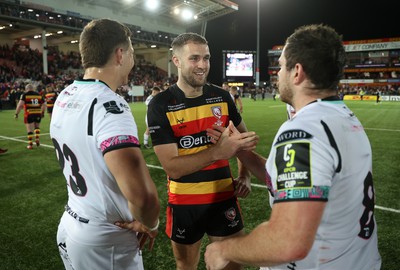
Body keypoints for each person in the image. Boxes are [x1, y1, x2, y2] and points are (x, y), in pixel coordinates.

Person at [204, 24, 381, 270]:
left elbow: (288, 241)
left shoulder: (304, 131)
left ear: (296, 72)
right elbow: (291, 179)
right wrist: (240, 151)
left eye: (281, 65)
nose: (277, 74)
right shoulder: (342, 117)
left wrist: (224, 249)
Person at [50, 18, 160, 270]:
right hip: (105, 241)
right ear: (120, 54)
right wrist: (150, 225)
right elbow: (143, 196)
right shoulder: (110, 106)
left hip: (72, 222)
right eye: (132, 53)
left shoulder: (64, 96)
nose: (133, 60)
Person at [147, 32, 258, 270]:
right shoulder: (161, 105)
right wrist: (217, 152)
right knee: (187, 266)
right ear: (176, 61)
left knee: (232, 265)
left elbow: (243, 142)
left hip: (224, 198)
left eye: (206, 58)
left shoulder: (221, 96)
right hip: (185, 204)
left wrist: (245, 175)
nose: (202, 65)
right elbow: (172, 167)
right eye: (194, 58)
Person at [14, 83, 46, 149]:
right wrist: (42, 112)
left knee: (30, 130)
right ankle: (37, 139)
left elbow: (20, 105)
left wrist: (16, 113)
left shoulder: (24, 95)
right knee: (37, 127)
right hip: (38, 113)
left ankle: (30, 145)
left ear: (26, 89)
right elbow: (44, 104)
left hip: (29, 113)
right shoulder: (39, 95)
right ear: (33, 88)